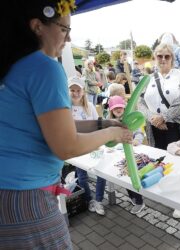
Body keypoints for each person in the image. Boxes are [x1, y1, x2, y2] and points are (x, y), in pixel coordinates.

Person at [0, 1, 133, 249]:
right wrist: (113, 132)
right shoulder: (44, 67)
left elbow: (57, 127)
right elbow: (67, 146)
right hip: (28, 198)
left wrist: (102, 122)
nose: (69, 38)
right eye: (64, 29)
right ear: (37, 26)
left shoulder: (15, 66)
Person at [138, 43, 180, 150]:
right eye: (159, 56)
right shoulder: (148, 78)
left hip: (174, 127)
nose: (163, 59)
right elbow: (140, 102)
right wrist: (153, 119)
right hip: (153, 127)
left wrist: (163, 117)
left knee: (176, 159)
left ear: (172, 58)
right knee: (158, 158)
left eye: (167, 56)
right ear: (155, 58)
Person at [68, 77, 107, 216]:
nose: (75, 93)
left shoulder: (89, 106)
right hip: (77, 147)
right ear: (68, 91)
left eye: (78, 90)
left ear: (83, 91)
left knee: (101, 171)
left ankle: (98, 200)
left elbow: (97, 124)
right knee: (82, 175)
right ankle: (89, 199)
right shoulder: (66, 108)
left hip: (92, 145)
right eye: (72, 90)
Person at [108, 96, 146, 214]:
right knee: (124, 177)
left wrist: (137, 141)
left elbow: (139, 133)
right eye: (115, 109)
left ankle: (139, 201)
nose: (118, 110)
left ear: (124, 108)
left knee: (132, 176)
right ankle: (133, 197)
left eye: (120, 107)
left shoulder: (130, 119)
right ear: (111, 111)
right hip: (118, 155)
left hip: (132, 154)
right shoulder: (110, 122)